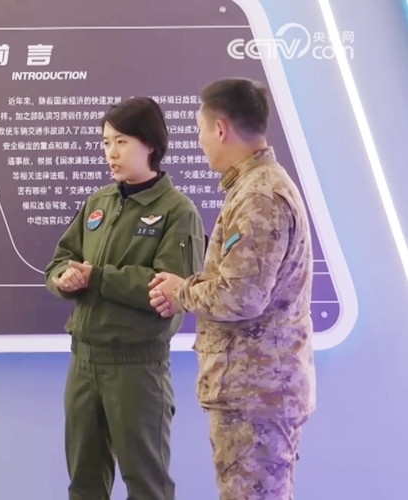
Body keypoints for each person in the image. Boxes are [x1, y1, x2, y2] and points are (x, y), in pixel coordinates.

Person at [148, 77, 315, 500]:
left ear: (220, 129)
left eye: (201, 129)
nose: (200, 141)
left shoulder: (259, 197)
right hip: (253, 392)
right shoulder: (255, 187)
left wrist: (181, 291)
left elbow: (240, 296)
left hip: (255, 394)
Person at [45, 96, 205, 500]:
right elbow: (60, 259)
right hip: (84, 360)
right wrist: (63, 278)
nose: (111, 153)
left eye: (121, 142)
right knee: (84, 482)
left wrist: (98, 278)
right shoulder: (98, 202)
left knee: (146, 483)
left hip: (136, 366)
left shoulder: (177, 211)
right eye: (105, 143)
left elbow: (166, 291)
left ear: (149, 143)